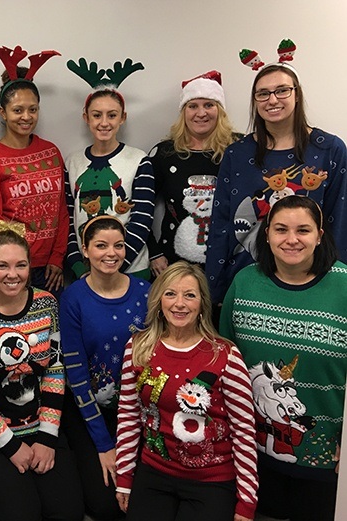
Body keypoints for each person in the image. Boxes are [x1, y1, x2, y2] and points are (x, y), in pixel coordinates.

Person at [220, 195, 347, 521]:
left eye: (303, 230)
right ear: (266, 234)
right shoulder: (245, 282)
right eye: (281, 229)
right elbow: (225, 362)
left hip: (326, 461)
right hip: (251, 457)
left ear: (320, 235)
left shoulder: (344, 286)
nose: (292, 239)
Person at [0, 226, 84, 521]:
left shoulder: (46, 303)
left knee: (68, 512)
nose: (13, 274)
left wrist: (48, 437)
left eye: (20, 265)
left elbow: (54, 370)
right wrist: (10, 446)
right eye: (2, 265)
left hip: (40, 425)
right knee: (22, 513)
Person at [206, 42, 347, 305]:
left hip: (314, 283)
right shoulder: (237, 154)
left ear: (297, 94)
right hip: (247, 280)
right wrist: (214, 289)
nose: (272, 100)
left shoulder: (329, 149)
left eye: (281, 90)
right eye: (263, 93)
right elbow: (222, 225)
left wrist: (337, 284)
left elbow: (339, 222)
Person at [115, 261, 258, 521]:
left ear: (202, 304)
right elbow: (128, 415)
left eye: (189, 295)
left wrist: (247, 501)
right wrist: (124, 477)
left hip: (211, 479)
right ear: (158, 301)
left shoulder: (225, 355)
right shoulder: (137, 347)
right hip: (154, 471)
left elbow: (244, 432)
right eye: (170, 294)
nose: (179, 303)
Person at [59, 216, 150, 520]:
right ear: (85, 250)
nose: (111, 253)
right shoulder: (73, 298)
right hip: (90, 412)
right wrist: (103, 444)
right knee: (104, 505)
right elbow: (76, 374)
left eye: (119, 245)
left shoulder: (146, 292)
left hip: (138, 413)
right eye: (101, 245)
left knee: (145, 495)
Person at [0, 45, 68, 298]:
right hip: (9, 270)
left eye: (33, 109)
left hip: (49, 270)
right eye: (17, 110)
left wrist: (57, 258)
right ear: (3, 113)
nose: (26, 116)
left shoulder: (51, 152)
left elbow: (61, 210)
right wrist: (15, 265)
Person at [65, 57, 154, 280]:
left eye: (112, 115)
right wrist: (79, 266)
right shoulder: (73, 162)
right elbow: (68, 220)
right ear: (86, 118)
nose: (104, 122)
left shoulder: (139, 160)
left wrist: (113, 268)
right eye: (97, 115)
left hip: (130, 270)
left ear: (122, 118)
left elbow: (142, 220)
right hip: (85, 273)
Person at [147, 71, 238, 276]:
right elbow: (139, 207)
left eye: (209, 105)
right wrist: (154, 253)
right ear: (183, 111)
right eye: (193, 106)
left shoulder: (238, 149)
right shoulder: (164, 154)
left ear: (220, 110)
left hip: (228, 263)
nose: (201, 113)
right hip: (173, 264)